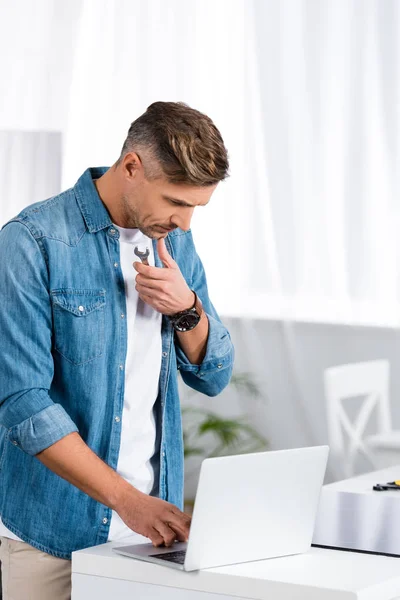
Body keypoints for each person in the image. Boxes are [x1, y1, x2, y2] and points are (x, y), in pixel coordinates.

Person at [0, 101, 234, 599]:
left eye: (196, 207)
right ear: (132, 167)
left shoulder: (173, 242)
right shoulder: (32, 242)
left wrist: (187, 307)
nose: (186, 223)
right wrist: (127, 500)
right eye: (176, 200)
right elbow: (23, 404)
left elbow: (214, 376)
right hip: (50, 534)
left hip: (150, 534)